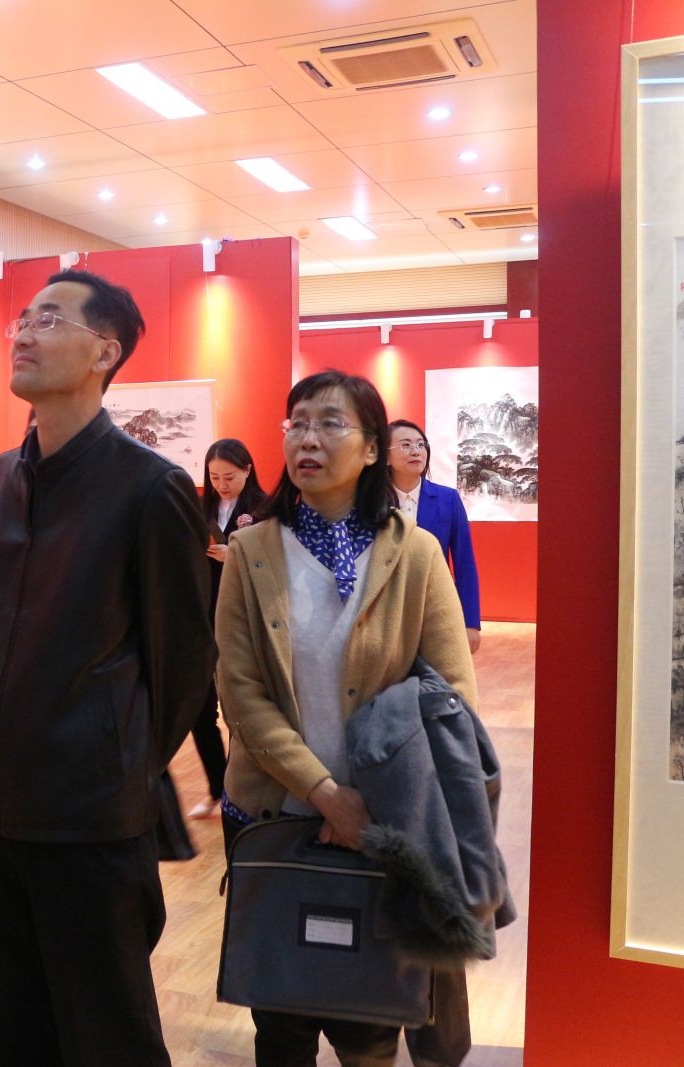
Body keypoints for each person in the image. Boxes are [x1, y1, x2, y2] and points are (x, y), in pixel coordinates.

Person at [0, 268, 214, 1066]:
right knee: (9, 1032)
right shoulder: (0, 479)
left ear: (105, 351)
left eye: (50, 320)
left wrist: (117, 757)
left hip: (89, 815)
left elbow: (183, 663)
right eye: (23, 320)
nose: (25, 333)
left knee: (107, 1035)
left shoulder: (151, 487)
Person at [215, 370, 479, 1066]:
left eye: (330, 423)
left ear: (371, 450)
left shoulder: (416, 554)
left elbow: (452, 694)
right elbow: (240, 691)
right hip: (274, 814)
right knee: (280, 1013)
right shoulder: (251, 551)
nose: (308, 438)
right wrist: (326, 793)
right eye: (297, 422)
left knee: (369, 1021)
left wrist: (373, 801)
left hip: (382, 823)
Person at [186, 438, 268, 818]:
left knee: (237, 706)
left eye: (229, 477)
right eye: (215, 477)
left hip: (241, 618)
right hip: (200, 614)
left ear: (248, 470)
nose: (221, 484)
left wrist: (235, 554)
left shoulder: (264, 508)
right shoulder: (199, 506)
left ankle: (237, 789)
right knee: (197, 707)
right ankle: (217, 787)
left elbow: (274, 562)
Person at [389, 419, 483, 653]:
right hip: (385, 611)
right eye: (405, 445)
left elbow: (465, 563)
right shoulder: (369, 502)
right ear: (385, 455)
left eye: (421, 445)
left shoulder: (448, 499)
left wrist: (470, 622)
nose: (416, 451)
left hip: (434, 607)